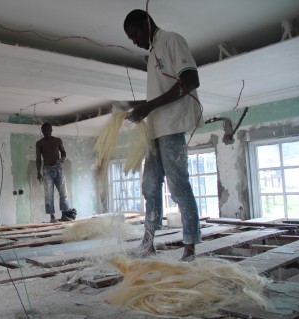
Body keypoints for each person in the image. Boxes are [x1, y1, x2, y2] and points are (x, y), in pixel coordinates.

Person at [123, 9, 203, 260]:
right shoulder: (151, 56)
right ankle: (148, 242)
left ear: (147, 23)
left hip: (171, 127)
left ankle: (189, 247)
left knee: (178, 185)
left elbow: (190, 80)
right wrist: (139, 106)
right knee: (149, 187)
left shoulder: (171, 40)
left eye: (134, 34)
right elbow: (159, 93)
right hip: (155, 129)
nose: (134, 40)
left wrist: (148, 106)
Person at [36, 123, 76, 223]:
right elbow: (38, 158)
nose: (46, 131)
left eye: (48, 129)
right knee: (48, 194)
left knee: (63, 192)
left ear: (51, 130)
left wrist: (63, 158)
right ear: (42, 131)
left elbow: (63, 152)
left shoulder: (57, 140)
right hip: (47, 170)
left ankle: (64, 215)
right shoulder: (40, 143)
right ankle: (52, 217)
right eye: (44, 130)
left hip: (58, 168)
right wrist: (38, 172)